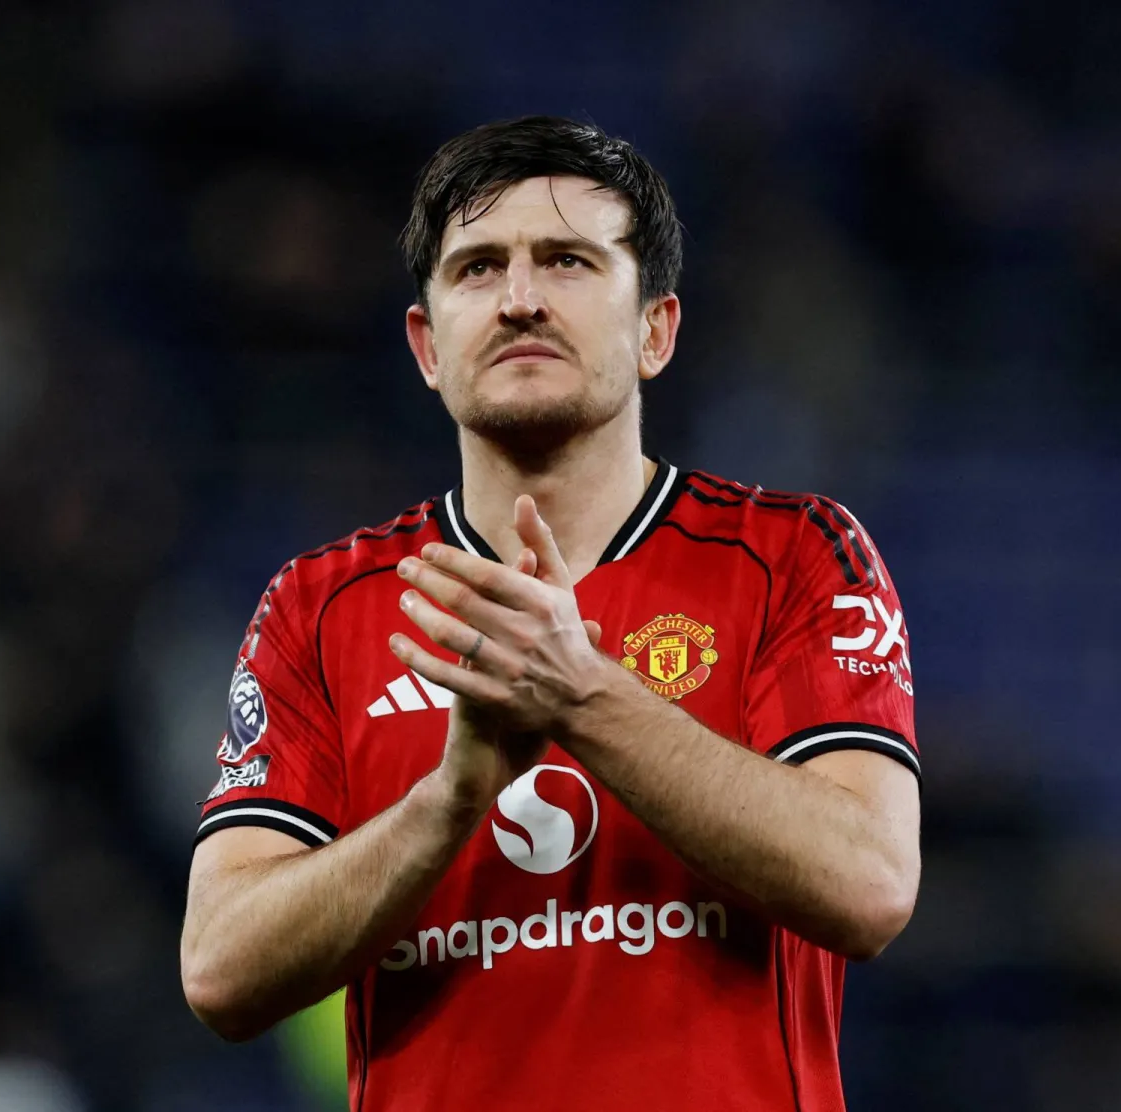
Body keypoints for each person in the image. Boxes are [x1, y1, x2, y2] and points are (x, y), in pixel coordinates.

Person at [180, 116, 920, 1112]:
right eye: (478, 268)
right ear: (426, 344)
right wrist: (446, 804)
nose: (520, 299)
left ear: (656, 328)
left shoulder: (794, 555)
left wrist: (583, 695)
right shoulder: (319, 606)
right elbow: (219, 967)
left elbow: (869, 882)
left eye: (568, 260)